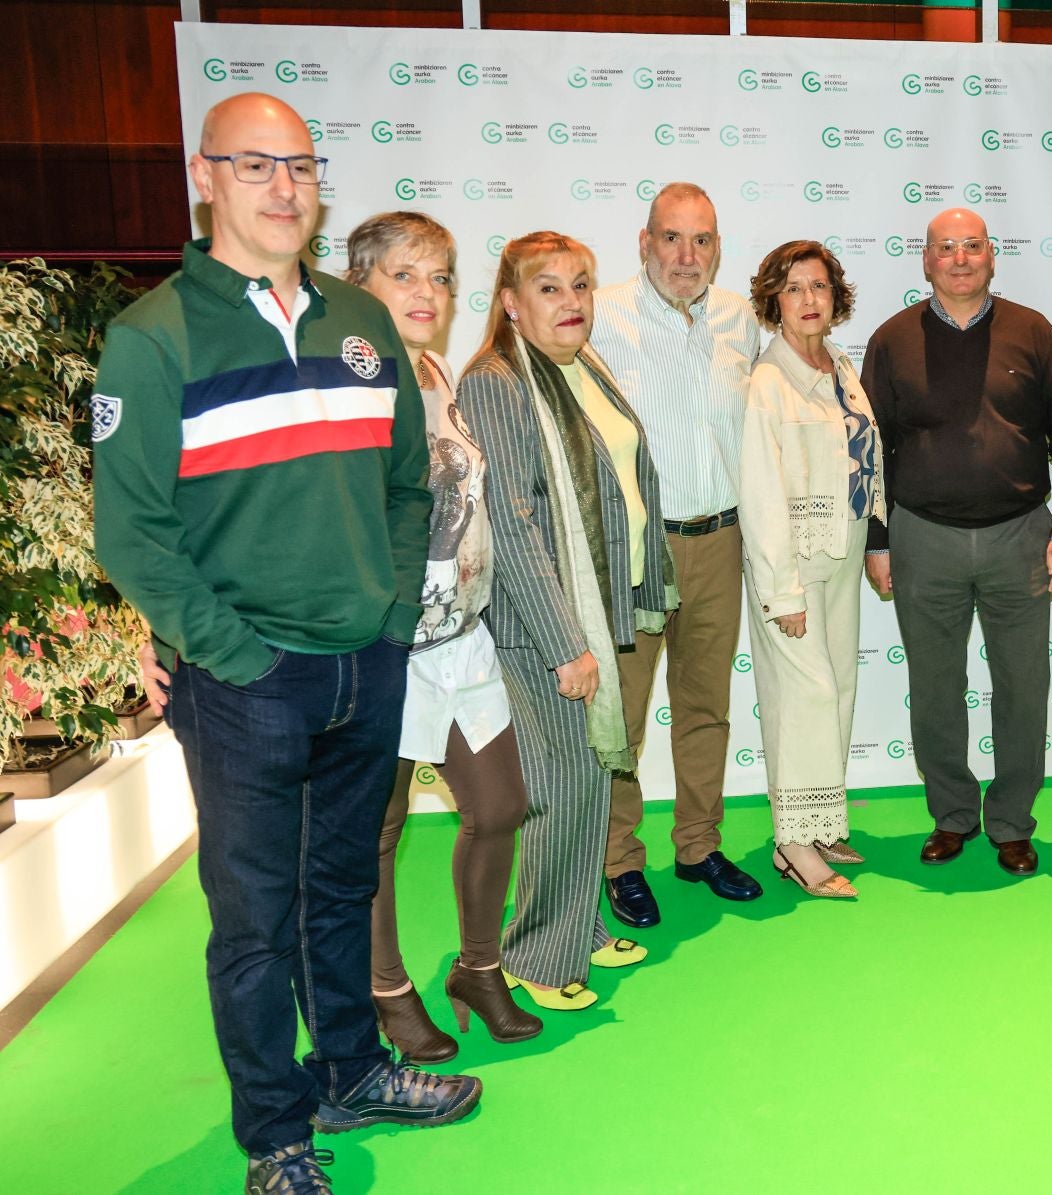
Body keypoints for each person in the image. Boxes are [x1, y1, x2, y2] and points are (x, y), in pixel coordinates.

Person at [91, 93, 477, 1195]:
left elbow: (410, 484)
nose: (283, 188)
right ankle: (275, 1134)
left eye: (301, 165)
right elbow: (133, 534)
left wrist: (393, 616)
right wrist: (231, 652)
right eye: (255, 166)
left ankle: (351, 1069)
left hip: (367, 661)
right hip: (245, 681)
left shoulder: (360, 320)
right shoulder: (153, 336)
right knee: (253, 921)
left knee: (341, 885)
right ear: (203, 176)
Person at [338, 212, 541, 1059]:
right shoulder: (348, 377)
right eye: (405, 275)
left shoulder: (432, 369)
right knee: (377, 834)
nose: (430, 293)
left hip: (461, 637)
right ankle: (387, 989)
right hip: (387, 647)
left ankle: (479, 966)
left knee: (500, 807)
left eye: (443, 276)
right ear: (361, 286)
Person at [458, 231, 669, 1012]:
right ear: (510, 301)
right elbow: (512, 522)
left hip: (588, 611)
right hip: (537, 625)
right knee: (555, 788)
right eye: (549, 288)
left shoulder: (576, 369)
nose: (572, 301)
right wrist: (566, 642)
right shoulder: (497, 382)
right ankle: (537, 954)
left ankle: (574, 929)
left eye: (581, 284)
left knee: (586, 780)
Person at [861, 208, 1052, 876]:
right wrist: (879, 541)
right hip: (921, 536)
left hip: (1020, 535)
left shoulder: (1033, 332)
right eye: (946, 248)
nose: (960, 258)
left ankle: (1014, 820)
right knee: (934, 685)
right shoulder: (892, 339)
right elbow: (870, 452)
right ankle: (952, 814)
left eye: (972, 246)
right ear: (926, 260)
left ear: (992, 256)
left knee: (1023, 684)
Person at [592, 182, 765, 928]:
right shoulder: (598, 315)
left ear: (719, 248)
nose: (686, 256)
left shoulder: (740, 319)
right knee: (623, 717)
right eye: (672, 238)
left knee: (706, 707)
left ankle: (697, 845)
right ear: (643, 241)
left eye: (702, 240)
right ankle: (618, 862)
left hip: (720, 538)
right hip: (637, 546)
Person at [739, 240, 885, 898]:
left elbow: (867, 463)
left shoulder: (841, 367)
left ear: (835, 297)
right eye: (794, 288)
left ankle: (822, 822)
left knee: (841, 687)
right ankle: (793, 842)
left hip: (845, 549)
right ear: (774, 300)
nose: (808, 300)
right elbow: (762, 493)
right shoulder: (767, 383)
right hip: (793, 564)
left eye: (819, 287)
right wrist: (780, 591)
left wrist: (877, 541)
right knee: (804, 697)